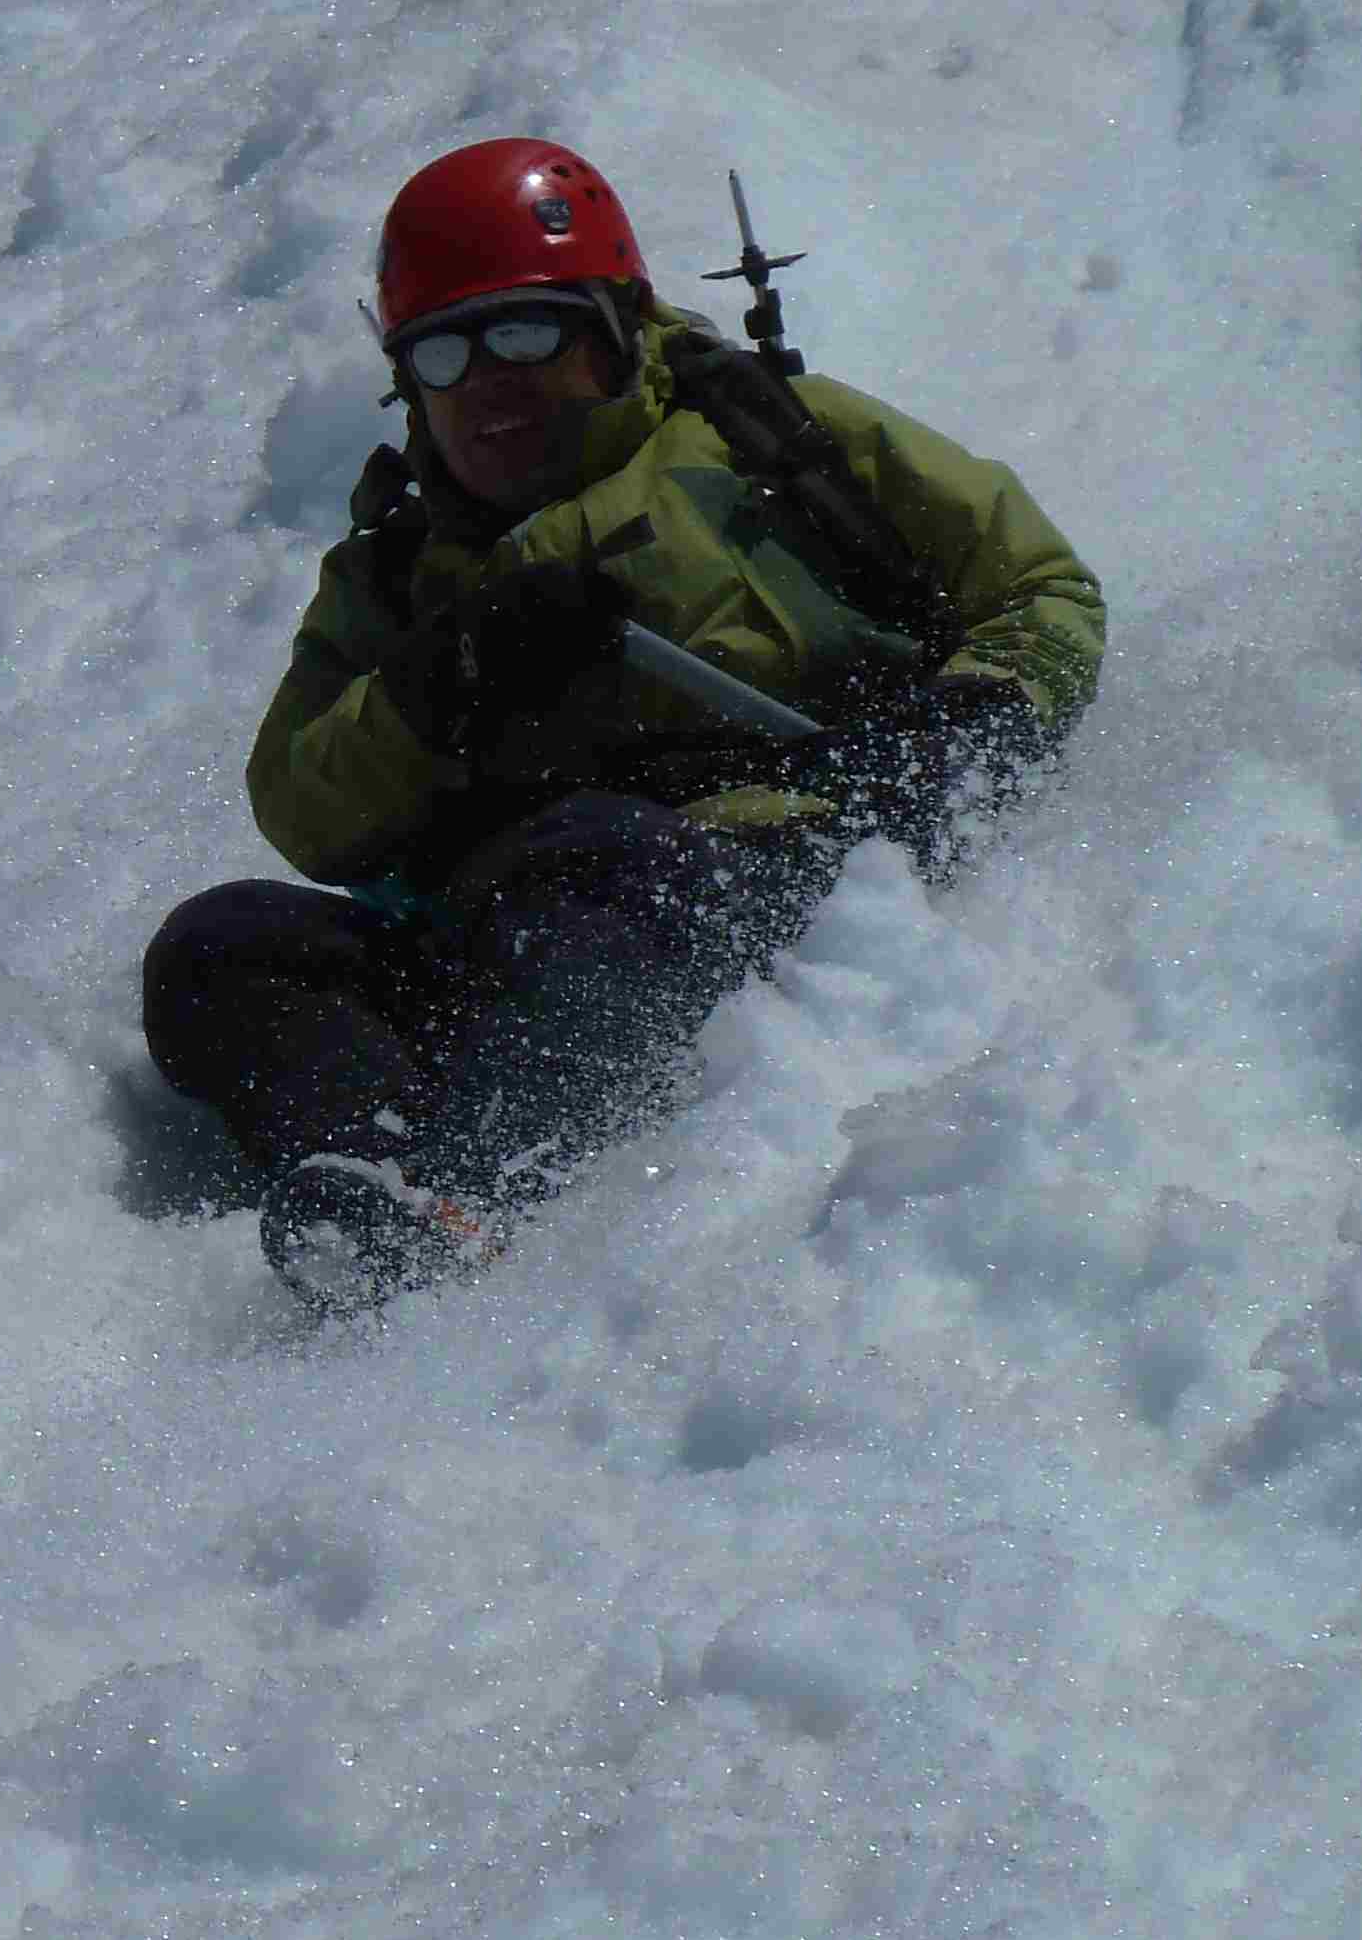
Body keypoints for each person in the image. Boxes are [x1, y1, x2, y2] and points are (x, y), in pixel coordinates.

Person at [142, 137, 1106, 1309]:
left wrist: (967, 726)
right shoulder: (396, 576)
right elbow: (302, 810)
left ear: (613, 327)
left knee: (587, 860)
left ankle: (475, 1183)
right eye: (444, 353)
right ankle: (380, 1175)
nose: (486, 384)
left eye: (525, 334)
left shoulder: (766, 438)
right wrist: (438, 682)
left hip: (751, 870)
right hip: (500, 935)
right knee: (221, 947)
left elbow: (1035, 588)